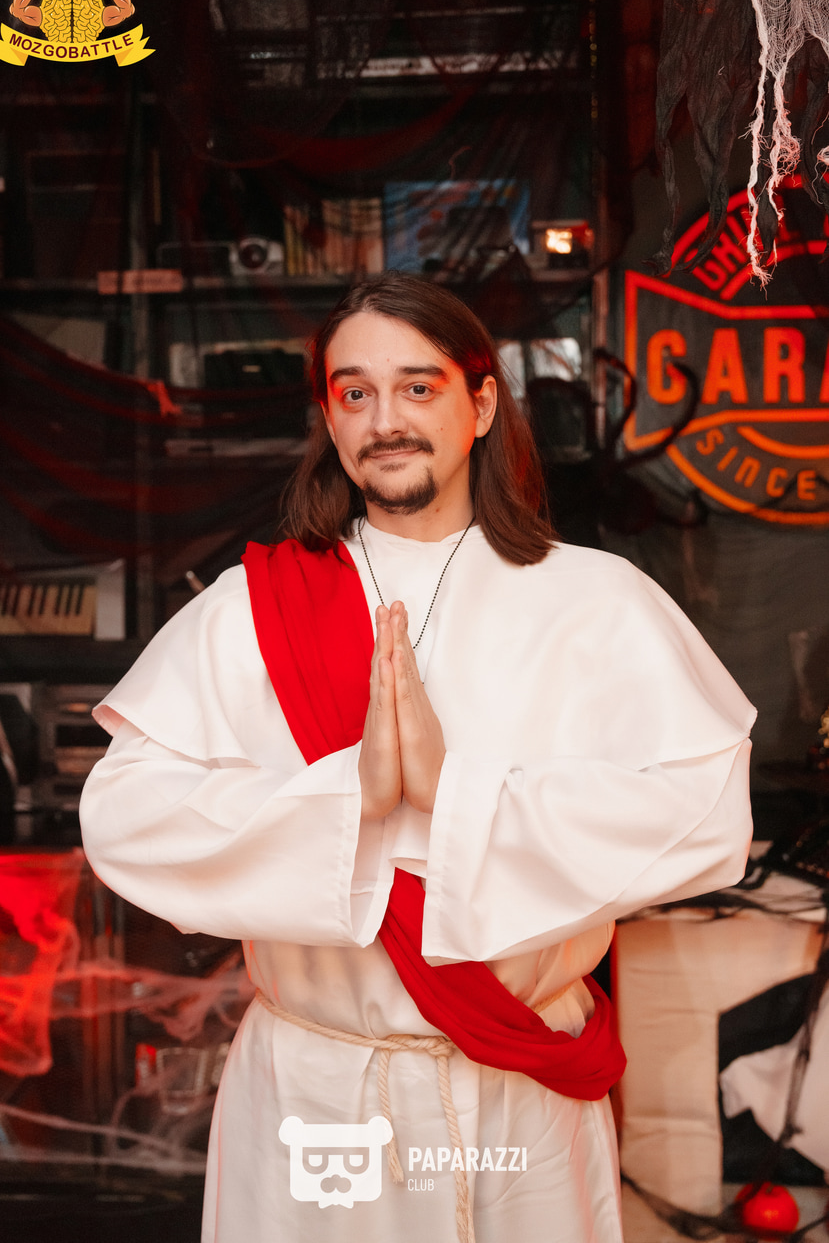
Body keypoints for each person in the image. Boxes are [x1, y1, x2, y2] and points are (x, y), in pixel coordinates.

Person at [80, 272, 755, 1243]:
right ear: (329, 417)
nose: (384, 420)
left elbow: (704, 817)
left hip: (519, 1082)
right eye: (354, 392)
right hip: (318, 1087)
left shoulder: (594, 602)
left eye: (417, 386)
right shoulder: (249, 609)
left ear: (479, 404)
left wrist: (454, 793)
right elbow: (123, 818)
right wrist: (346, 797)